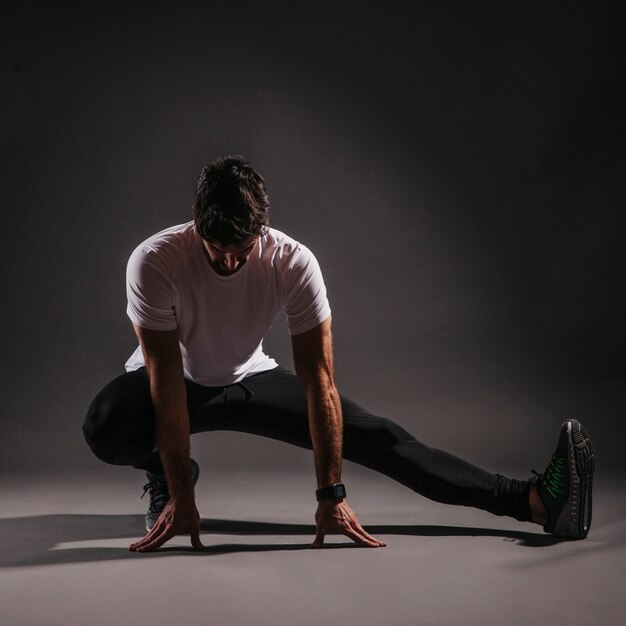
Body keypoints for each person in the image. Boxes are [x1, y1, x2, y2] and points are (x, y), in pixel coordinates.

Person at [83, 155, 595, 553]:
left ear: (262, 228)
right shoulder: (154, 261)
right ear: (197, 224)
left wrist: (331, 494)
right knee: (106, 424)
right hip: (180, 379)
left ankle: (533, 503)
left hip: (248, 377)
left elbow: (318, 380)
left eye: (243, 245)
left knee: (381, 438)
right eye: (218, 247)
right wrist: (180, 491)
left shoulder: (293, 262)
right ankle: (167, 473)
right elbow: (167, 380)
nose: (232, 259)